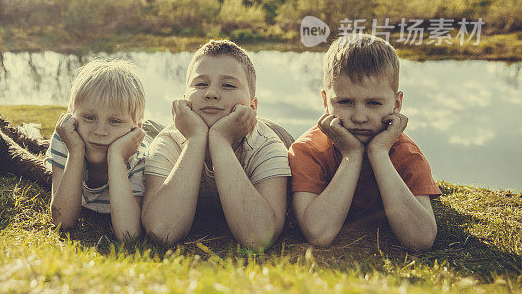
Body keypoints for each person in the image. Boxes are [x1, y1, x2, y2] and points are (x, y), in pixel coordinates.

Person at [289, 34, 440, 250]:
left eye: (374, 103)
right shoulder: (308, 150)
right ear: (325, 101)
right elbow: (319, 234)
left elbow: (420, 240)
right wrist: (352, 155)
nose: (359, 117)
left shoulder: (406, 153)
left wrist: (379, 152)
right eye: (345, 102)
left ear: (397, 104)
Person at [142, 40, 291, 249]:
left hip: (275, 131)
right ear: (185, 99)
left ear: (252, 105)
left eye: (228, 85)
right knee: (147, 129)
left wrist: (220, 141)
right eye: (201, 84)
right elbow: (162, 231)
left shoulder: (268, 145)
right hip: (181, 137)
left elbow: (258, 237)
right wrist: (195, 140)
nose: (211, 93)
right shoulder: (169, 142)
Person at [46, 59, 149, 241]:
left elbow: (129, 235)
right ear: (72, 117)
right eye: (89, 117)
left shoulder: (139, 156)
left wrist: (116, 157)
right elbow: (62, 221)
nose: (100, 131)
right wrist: (76, 152)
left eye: (115, 121)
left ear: (136, 129)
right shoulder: (66, 139)